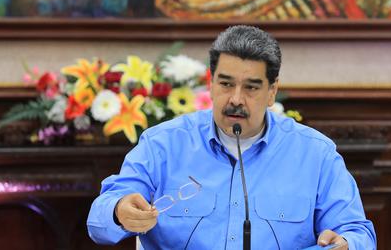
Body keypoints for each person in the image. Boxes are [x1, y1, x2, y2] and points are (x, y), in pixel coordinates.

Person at [87, 25, 376, 249]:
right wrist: (119, 211)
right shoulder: (163, 145)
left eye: (251, 87)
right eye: (226, 84)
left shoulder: (316, 154)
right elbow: (98, 221)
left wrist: (346, 244)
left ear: (272, 91)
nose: (235, 99)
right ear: (210, 83)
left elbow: (358, 232)